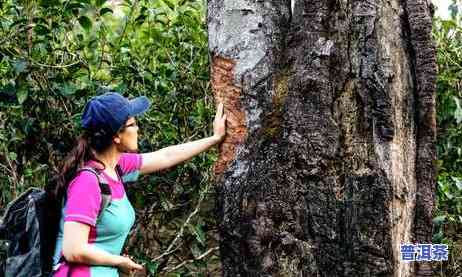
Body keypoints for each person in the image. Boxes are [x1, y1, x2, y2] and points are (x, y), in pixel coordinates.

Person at [51, 92, 227, 276]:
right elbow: (73, 249)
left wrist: (214, 139)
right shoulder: (87, 181)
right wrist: (120, 261)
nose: (138, 128)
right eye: (132, 124)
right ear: (116, 137)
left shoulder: (116, 166)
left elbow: (165, 156)